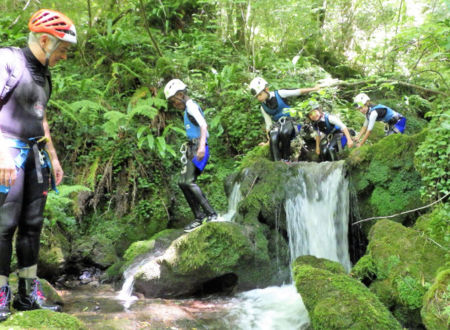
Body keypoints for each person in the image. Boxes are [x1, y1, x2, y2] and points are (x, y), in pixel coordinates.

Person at [0, 9, 77, 321]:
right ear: (45, 40)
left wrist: (54, 157)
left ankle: (27, 294)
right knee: (4, 226)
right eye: (63, 50)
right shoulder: (8, 61)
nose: (64, 57)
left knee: (32, 225)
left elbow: (39, 116)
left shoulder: (45, 74)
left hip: (35, 156)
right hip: (7, 154)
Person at [164, 79, 217, 232]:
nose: (175, 105)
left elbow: (203, 125)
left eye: (175, 101)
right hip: (192, 147)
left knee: (189, 181)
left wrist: (201, 146)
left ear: (181, 94)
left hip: (199, 147)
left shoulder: (191, 106)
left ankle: (211, 214)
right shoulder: (187, 108)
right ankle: (199, 217)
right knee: (182, 182)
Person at [249, 77, 321, 161]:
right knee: (273, 136)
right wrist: (268, 142)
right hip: (278, 124)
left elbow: (297, 92)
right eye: (257, 97)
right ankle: (277, 162)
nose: (259, 98)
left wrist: (314, 89)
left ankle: (287, 159)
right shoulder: (263, 107)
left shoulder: (279, 94)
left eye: (260, 94)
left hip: (291, 120)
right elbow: (268, 124)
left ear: (266, 89)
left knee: (285, 132)